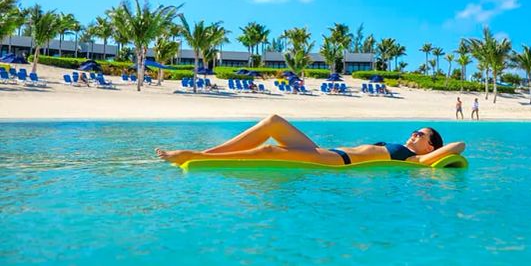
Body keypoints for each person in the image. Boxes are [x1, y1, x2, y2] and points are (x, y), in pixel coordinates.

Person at [156, 114, 465, 166]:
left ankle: (191, 156)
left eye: (421, 134)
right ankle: (205, 151)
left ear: (431, 146)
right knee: (273, 123)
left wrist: (433, 156)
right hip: (324, 150)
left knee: (270, 151)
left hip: (336, 162)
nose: (414, 134)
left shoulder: (415, 159)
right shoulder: (406, 148)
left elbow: (458, 146)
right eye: (414, 131)